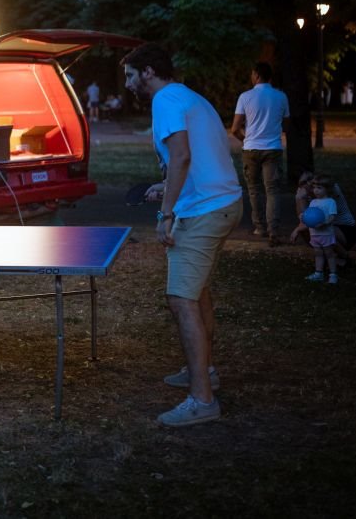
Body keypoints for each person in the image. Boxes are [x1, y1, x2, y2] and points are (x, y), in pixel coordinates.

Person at [121, 43, 243, 427]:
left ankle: (202, 401)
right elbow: (205, 154)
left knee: (180, 299)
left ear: (149, 72)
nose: (127, 85)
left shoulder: (165, 101)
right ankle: (203, 373)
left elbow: (182, 156)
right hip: (222, 202)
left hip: (202, 211)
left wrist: (166, 212)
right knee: (197, 291)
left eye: (130, 75)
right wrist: (168, 188)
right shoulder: (191, 97)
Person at [230, 62, 290, 246]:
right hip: (272, 148)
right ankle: (274, 229)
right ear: (270, 76)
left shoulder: (245, 97)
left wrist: (246, 139)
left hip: (251, 149)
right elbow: (286, 125)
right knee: (272, 190)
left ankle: (260, 227)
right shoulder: (281, 97)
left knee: (254, 189)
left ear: (256, 75)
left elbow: (235, 129)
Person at [291, 171, 356, 267]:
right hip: (330, 228)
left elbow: (318, 220)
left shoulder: (330, 191)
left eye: (310, 182)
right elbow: (304, 219)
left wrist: (297, 229)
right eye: (303, 184)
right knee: (308, 229)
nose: (308, 186)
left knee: (317, 229)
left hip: (346, 230)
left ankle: (345, 257)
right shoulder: (311, 197)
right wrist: (299, 198)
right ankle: (327, 257)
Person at [290, 175, 339, 284]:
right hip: (315, 234)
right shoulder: (313, 202)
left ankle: (333, 274)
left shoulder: (330, 202)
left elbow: (332, 217)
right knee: (318, 254)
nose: (315, 190)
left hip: (326, 234)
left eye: (319, 188)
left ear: (327, 189)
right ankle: (318, 273)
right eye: (314, 187)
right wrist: (303, 217)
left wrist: (324, 223)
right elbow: (310, 216)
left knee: (329, 254)